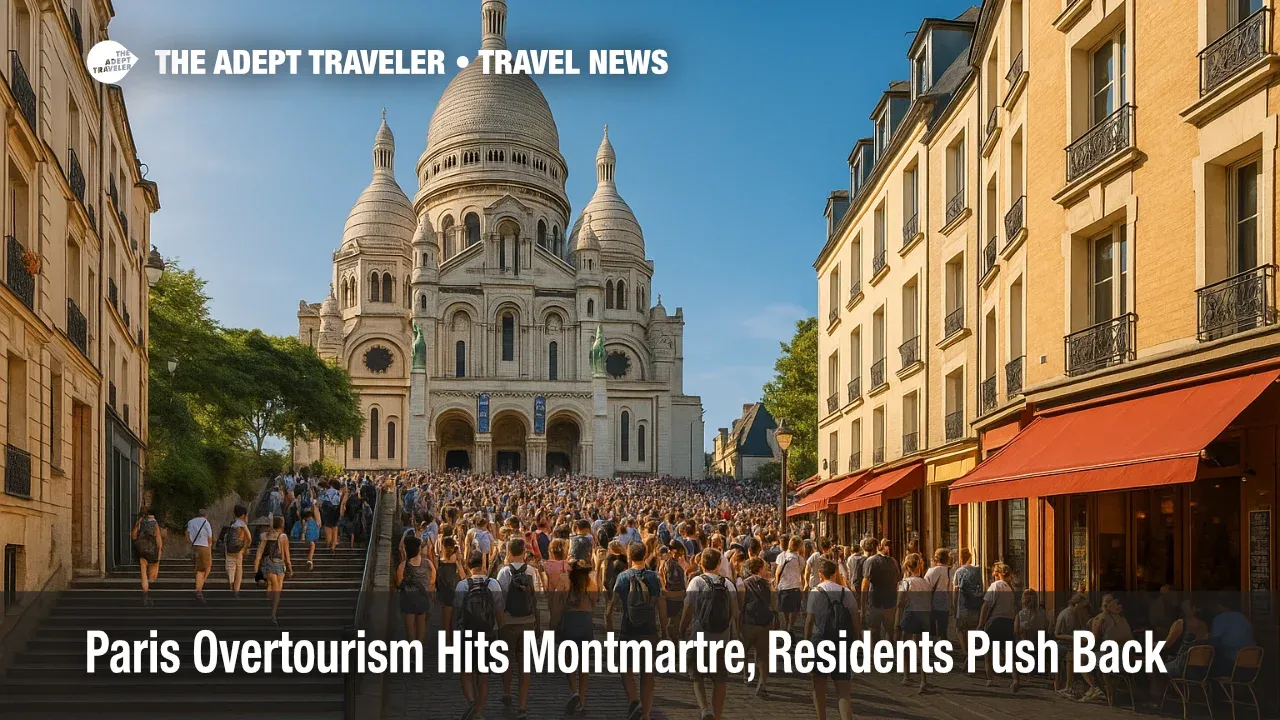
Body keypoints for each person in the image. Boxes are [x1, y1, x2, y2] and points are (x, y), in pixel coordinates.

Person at [681, 548, 737, 720]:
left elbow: (688, 608)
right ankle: (717, 715)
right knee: (720, 679)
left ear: (700, 563)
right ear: (719, 563)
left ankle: (705, 709)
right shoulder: (728, 584)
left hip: (700, 636)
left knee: (696, 675)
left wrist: (682, 629)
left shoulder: (696, 582)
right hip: (722, 637)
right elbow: (735, 613)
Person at [614, 542, 663, 720]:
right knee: (647, 671)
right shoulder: (653, 577)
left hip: (628, 627)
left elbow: (616, 603)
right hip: (649, 629)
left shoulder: (622, 577)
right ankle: (646, 713)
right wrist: (663, 628)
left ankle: (633, 700)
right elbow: (660, 604)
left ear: (629, 555)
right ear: (646, 555)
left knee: (625, 667)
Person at [805, 558, 858, 720]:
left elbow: (809, 621)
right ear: (835, 573)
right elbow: (856, 620)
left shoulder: (816, 591)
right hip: (841, 641)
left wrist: (806, 644)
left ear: (820, 574)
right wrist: (855, 641)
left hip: (820, 639)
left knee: (819, 688)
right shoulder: (846, 592)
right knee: (843, 692)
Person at [495, 538, 541, 720]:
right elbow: (537, 598)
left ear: (509, 551)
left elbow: (499, 599)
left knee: (506, 660)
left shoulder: (504, 572)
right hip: (527, 621)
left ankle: (507, 692)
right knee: (524, 664)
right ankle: (522, 705)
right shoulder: (532, 571)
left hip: (508, 621)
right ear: (524, 552)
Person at [454, 551, 503, 720]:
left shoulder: (462, 585)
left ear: (468, 566)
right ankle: (479, 711)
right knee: (483, 677)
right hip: (487, 634)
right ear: (483, 565)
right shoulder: (493, 584)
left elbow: (457, 612)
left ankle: (471, 702)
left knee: (465, 672)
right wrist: (500, 633)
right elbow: (499, 611)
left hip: (467, 634)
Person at [560, 560, 597, 714]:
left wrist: (554, 621)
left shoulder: (565, 581)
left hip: (569, 620)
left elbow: (558, 602)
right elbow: (594, 603)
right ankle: (582, 699)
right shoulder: (591, 583)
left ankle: (573, 690)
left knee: (568, 660)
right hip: (585, 621)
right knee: (583, 663)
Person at [977, 562, 1019, 692]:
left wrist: (981, 623)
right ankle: (1015, 679)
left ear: (997, 573)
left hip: (994, 622)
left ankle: (989, 678)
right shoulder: (1010, 589)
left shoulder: (995, 586)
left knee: (988, 652)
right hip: (1008, 621)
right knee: (1008, 652)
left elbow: (986, 605)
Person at [738, 556, 775, 698]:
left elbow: (741, 605)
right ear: (760, 569)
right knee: (763, 655)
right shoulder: (769, 584)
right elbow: (773, 604)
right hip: (765, 623)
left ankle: (746, 675)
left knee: (744, 650)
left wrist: (739, 623)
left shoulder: (744, 584)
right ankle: (762, 683)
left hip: (749, 622)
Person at [896, 552, 932, 693]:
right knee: (921, 647)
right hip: (924, 614)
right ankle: (924, 680)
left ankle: (906, 675)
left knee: (905, 644)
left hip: (910, 613)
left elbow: (900, 603)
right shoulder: (926, 583)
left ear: (907, 567)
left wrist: (897, 623)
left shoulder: (906, 582)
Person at [252, 516, 292, 623]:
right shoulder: (283, 537)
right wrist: (290, 568)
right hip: (279, 565)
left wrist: (256, 567)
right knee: (278, 590)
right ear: (282, 525)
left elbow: (259, 552)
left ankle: (268, 605)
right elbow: (287, 555)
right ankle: (273, 614)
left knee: (270, 584)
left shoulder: (265, 536)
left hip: (268, 564)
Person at [397, 535, 434, 645]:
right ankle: (419, 647)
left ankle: (412, 648)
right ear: (418, 549)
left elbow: (399, 583)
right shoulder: (427, 563)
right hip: (423, 597)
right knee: (421, 624)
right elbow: (433, 578)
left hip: (408, 598)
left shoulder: (403, 565)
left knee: (409, 625)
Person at [861, 538, 900, 643]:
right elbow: (897, 583)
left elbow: (865, 585)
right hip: (890, 601)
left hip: (875, 601)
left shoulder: (870, 561)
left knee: (874, 630)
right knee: (889, 631)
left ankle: (875, 650)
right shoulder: (894, 562)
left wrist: (863, 605)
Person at [1054, 593, 1090, 697]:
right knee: (1072, 654)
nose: (1084, 610)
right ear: (1076, 604)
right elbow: (1057, 634)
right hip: (1063, 643)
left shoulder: (1079, 614)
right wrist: (1074, 638)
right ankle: (1069, 685)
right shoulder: (1065, 614)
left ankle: (1083, 684)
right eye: (1083, 607)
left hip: (1075, 643)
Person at [1209, 595, 1254, 677]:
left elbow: (1214, 643)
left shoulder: (1219, 618)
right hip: (1252, 662)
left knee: (1207, 666)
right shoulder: (1243, 617)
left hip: (1232, 664)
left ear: (1219, 606)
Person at [952, 547, 984, 663]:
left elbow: (955, 591)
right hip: (976, 605)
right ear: (970, 557)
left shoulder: (959, 572)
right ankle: (971, 653)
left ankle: (966, 652)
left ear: (960, 559)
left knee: (960, 630)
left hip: (963, 606)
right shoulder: (977, 570)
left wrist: (954, 605)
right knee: (972, 630)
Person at [131, 507, 162, 607]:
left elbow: (133, 536)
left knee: (143, 574)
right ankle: (150, 589)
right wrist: (159, 552)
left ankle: (145, 595)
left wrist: (138, 525)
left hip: (141, 549)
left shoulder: (140, 522)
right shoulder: (154, 523)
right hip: (152, 549)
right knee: (152, 574)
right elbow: (158, 538)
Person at [774, 536, 805, 634]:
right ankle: (791, 626)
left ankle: (787, 623)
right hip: (796, 586)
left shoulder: (781, 556)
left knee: (785, 608)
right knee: (795, 609)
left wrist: (776, 584)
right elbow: (802, 573)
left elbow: (777, 573)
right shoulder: (800, 559)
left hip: (784, 586)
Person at [221, 504, 252, 598]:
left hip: (229, 551)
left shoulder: (232, 523)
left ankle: (231, 585)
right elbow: (249, 537)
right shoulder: (242, 524)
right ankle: (236, 591)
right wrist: (245, 547)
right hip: (238, 551)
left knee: (230, 569)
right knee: (239, 570)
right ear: (244, 515)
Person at [923, 548, 952, 644]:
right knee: (942, 630)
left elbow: (925, 587)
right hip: (945, 604)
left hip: (932, 603)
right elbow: (951, 589)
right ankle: (942, 647)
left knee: (931, 630)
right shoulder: (950, 571)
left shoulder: (931, 571)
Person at [661, 542, 688, 641]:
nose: (681, 554)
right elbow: (673, 584)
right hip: (675, 597)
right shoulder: (672, 565)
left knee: (673, 622)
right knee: (674, 623)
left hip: (674, 596)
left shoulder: (670, 563)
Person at [436, 535, 463, 633]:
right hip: (450, 589)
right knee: (451, 622)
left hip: (447, 591)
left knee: (446, 623)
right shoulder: (453, 557)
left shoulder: (448, 558)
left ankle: (446, 641)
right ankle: (451, 640)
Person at [186, 509, 214, 603]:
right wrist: (210, 548)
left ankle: (198, 588)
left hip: (195, 547)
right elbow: (210, 537)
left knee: (199, 569)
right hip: (204, 546)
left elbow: (187, 534)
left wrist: (191, 543)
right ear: (205, 515)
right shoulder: (206, 522)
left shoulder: (191, 522)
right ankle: (198, 589)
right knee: (206, 568)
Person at [321, 479, 342, 551]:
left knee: (328, 527)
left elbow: (324, 501)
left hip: (329, 509)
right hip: (336, 509)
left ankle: (328, 545)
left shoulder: (328, 491)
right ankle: (333, 545)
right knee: (335, 527)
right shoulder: (338, 492)